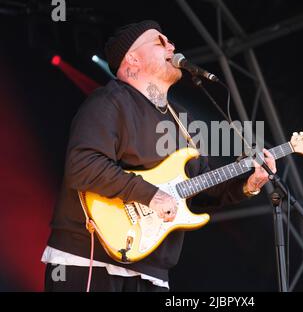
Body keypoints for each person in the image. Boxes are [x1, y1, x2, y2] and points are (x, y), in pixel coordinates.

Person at [42, 20, 277, 292]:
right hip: (89, 259)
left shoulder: (181, 122)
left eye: (169, 41)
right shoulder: (109, 101)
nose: (171, 45)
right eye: (159, 42)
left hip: (152, 270)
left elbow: (199, 190)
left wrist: (247, 185)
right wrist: (151, 195)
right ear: (132, 58)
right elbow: (83, 165)